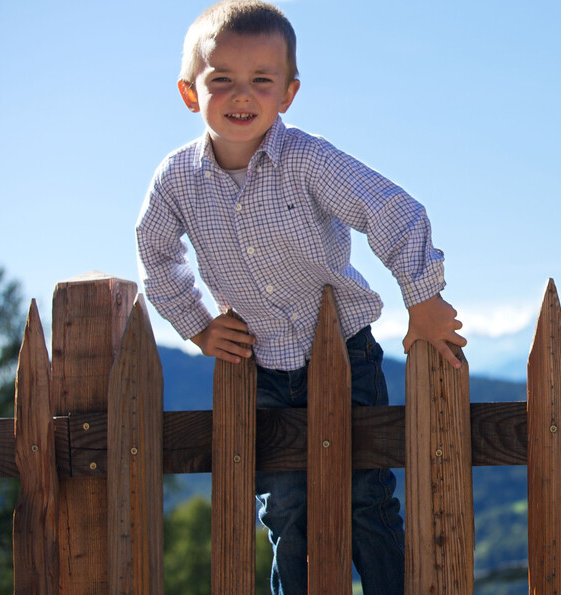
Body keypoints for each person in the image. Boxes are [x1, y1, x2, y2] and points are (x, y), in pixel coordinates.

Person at [135, 1, 466, 593]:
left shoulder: (307, 160)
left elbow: (391, 209)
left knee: (367, 500)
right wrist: (198, 324)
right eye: (222, 79)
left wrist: (423, 297)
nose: (243, 94)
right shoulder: (176, 180)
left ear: (288, 93)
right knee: (286, 510)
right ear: (190, 93)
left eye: (262, 80)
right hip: (259, 366)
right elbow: (155, 254)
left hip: (346, 353)